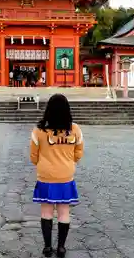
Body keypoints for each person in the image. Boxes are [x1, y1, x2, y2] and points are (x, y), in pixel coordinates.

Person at [29, 94, 84, 258]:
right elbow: (79, 152)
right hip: (66, 175)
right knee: (64, 212)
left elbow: (33, 155)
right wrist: (68, 162)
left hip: (45, 175)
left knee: (46, 212)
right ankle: (61, 247)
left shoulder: (38, 130)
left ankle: (47, 247)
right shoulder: (75, 129)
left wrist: (43, 164)